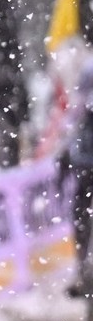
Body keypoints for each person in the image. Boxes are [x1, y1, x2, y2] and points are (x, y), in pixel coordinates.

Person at [57, 56, 93, 296]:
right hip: (86, 157)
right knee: (80, 213)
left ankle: (81, 269)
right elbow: (78, 113)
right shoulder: (89, 67)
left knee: (81, 214)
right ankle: (81, 269)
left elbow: (77, 113)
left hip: (84, 157)